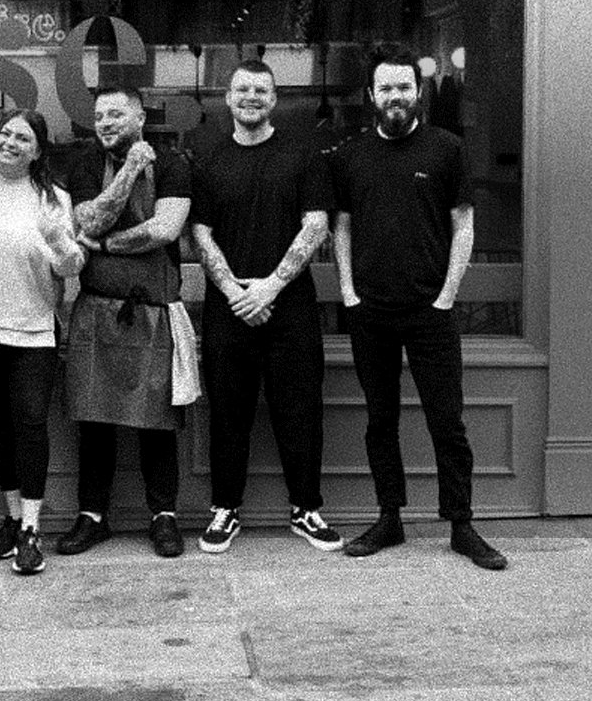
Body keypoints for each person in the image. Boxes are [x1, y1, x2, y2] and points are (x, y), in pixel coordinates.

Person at [332, 44, 507, 571]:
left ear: (419, 90)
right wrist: (348, 293)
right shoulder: (349, 155)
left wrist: (446, 296)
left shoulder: (447, 149)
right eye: (385, 88)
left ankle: (461, 524)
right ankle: (390, 518)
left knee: (446, 420)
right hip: (371, 310)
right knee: (379, 419)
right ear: (371, 95)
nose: (395, 96)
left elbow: (464, 225)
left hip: (431, 310)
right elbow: (340, 228)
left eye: (404, 86)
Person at [190, 59, 343, 554]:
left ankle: (307, 509)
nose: (251, 97)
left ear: (274, 99)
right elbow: (200, 232)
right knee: (227, 413)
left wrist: (269, 288)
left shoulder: (304, 157)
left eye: (261, 89)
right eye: (241, 89)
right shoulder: (208, 161)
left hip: (290, 308)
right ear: (227, 99)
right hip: (228, 308)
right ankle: (225, 510)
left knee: (300, 411)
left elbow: (315, 225)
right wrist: (236, 292)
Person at [58, 86, 198, 559]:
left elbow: (164, 229)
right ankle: (92, 517)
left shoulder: (175, 162)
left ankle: (164, 517)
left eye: (116, 114)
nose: (106, 122)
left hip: (153, 310)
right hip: (96, 309)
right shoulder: (81, 164)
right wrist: (132, 168)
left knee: (157, 423)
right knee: (94, 421)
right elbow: (90, 219)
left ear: (140, 117)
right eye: (99, 115)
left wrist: (108, 246)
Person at [0, 109, 85, 575]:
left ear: (38, 150)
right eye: (5, 134)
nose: (10, 143)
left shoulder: (53, 199)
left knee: (30, 423)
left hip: (34, 329)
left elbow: (70, 269)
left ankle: (31, 528)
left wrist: (60, 244)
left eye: (22, 138)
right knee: (0, 424)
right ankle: (10, 518)